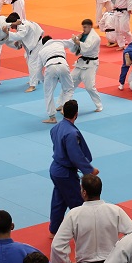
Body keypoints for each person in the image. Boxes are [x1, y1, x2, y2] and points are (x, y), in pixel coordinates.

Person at [48, 100, 97, 235]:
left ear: (63, 112)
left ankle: (54, 230)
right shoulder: (71, 133)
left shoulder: (57, 127)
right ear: (76, 114)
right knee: (77, 202)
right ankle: (85, 231)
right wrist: (90, 170)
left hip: (55, 168)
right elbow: (76, 156)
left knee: (59, 201)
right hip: (65, 172)